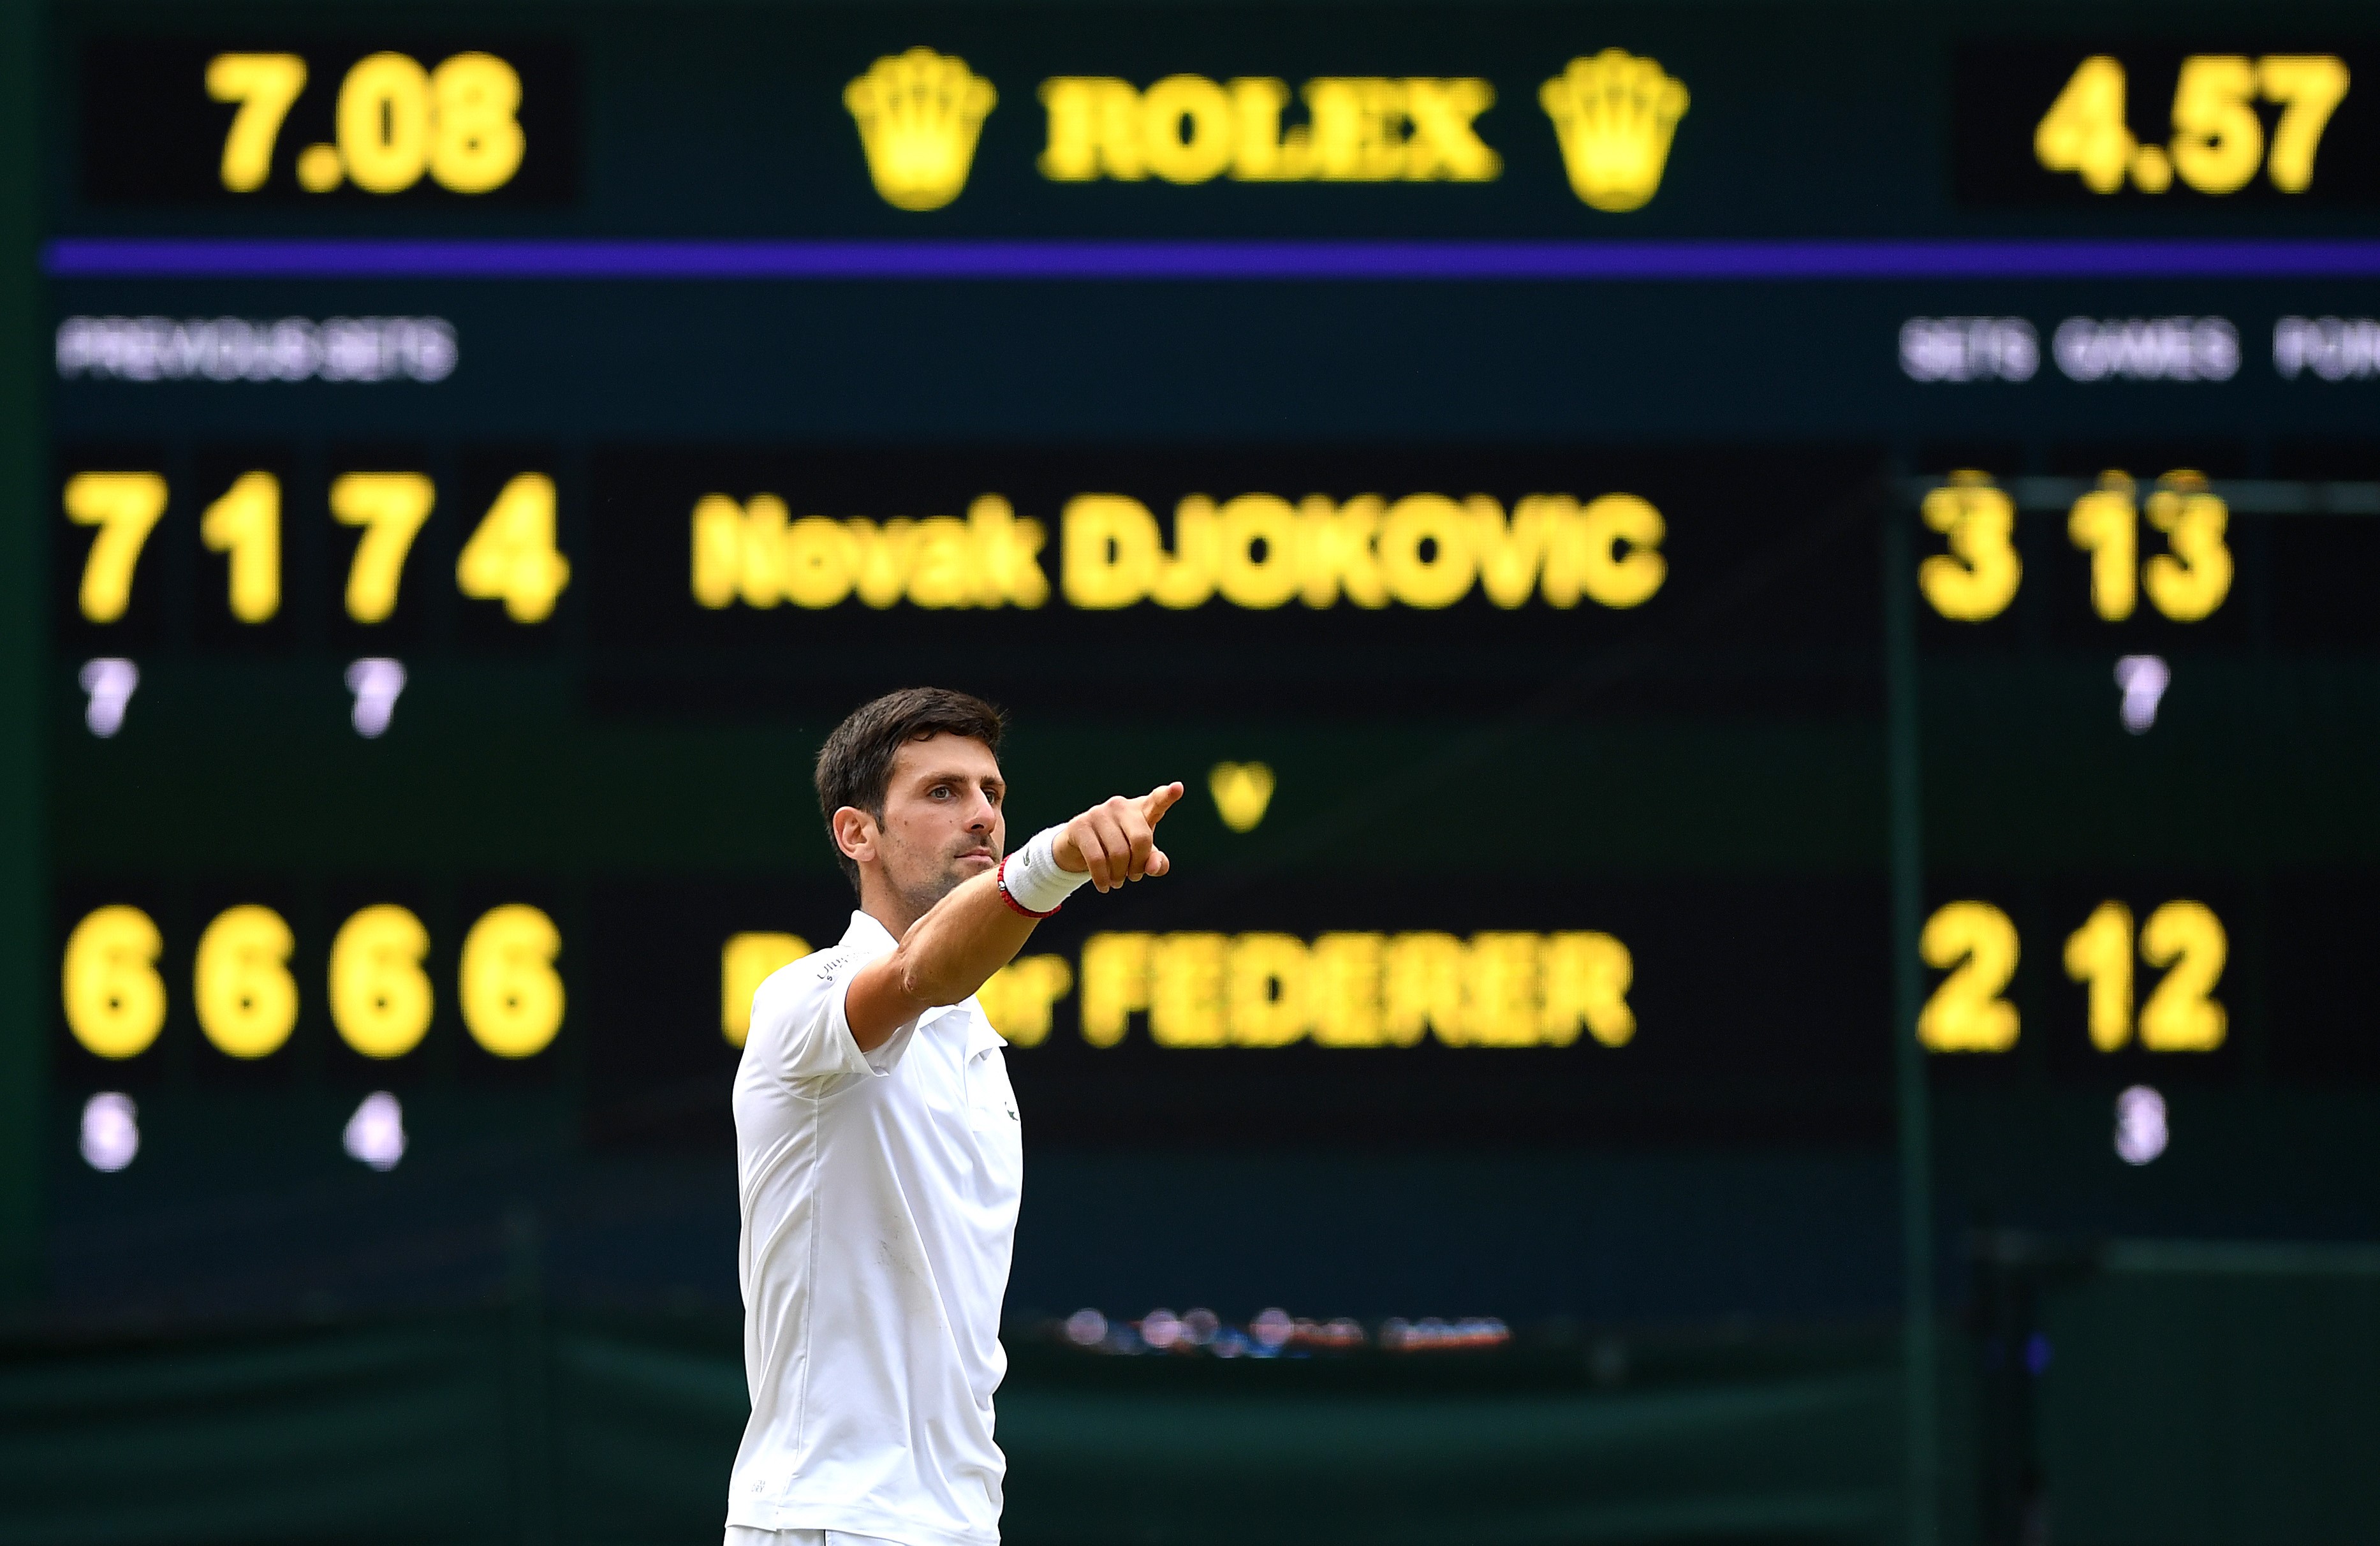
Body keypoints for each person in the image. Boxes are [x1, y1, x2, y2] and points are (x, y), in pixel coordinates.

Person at [724, 686, 1181, 1546]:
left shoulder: (980, 1050)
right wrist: (1058, 859)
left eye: (993, 795)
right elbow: (915, 976)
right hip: (829, 1521)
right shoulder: (800, 1001)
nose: (981, 816)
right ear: (856, 833)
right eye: (942, 793)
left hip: (961, 1524)